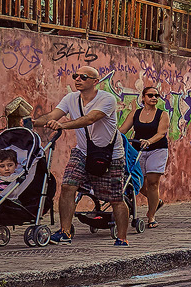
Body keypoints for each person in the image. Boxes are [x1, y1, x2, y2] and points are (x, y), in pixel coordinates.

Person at [35, 65, 131, 245]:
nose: (78, 79)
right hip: (83, 151)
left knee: (116, 198)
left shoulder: (107, 99)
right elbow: (52, 115)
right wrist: (34, 122)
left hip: (111, 154)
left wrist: (62, 125)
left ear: (95, 82)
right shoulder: (71, 98)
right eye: (75, 76)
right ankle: (65, 232)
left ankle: (122, 237)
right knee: (68, 186)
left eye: (83, 77)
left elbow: (90, 119)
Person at [120, 86, 171, 228]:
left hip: (157, 149)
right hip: (138, 150)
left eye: (156, 95)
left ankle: (151, 216)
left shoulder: (162, 114)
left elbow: (161, 133)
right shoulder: (135, 114)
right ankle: (156, 202)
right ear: (143, 97)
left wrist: (149, 141)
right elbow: (123, 130)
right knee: (138, 183)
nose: (154, 98)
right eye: (150, 95)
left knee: (153, 182)